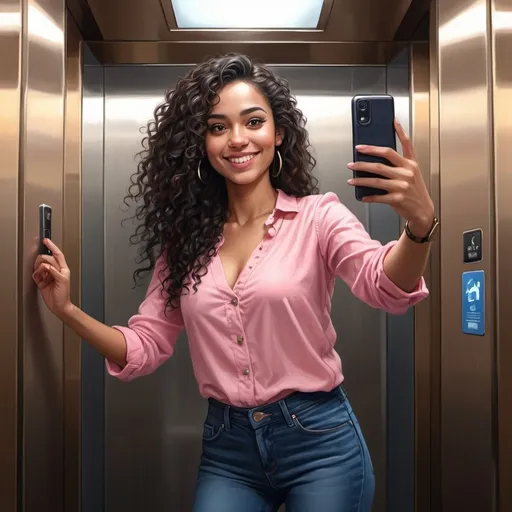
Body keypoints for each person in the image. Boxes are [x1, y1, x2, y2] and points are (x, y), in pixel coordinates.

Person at [33, 53, 436, 511]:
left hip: (320, 441)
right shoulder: (185, 243)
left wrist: (419, 228)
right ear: (201, 142)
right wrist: (66, 310)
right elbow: (144, 345)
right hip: (229, 449)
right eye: (217, 126)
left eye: (253, 121)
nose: (237, 139)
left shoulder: (319, 217)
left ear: (278, 132)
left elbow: (382, 284)